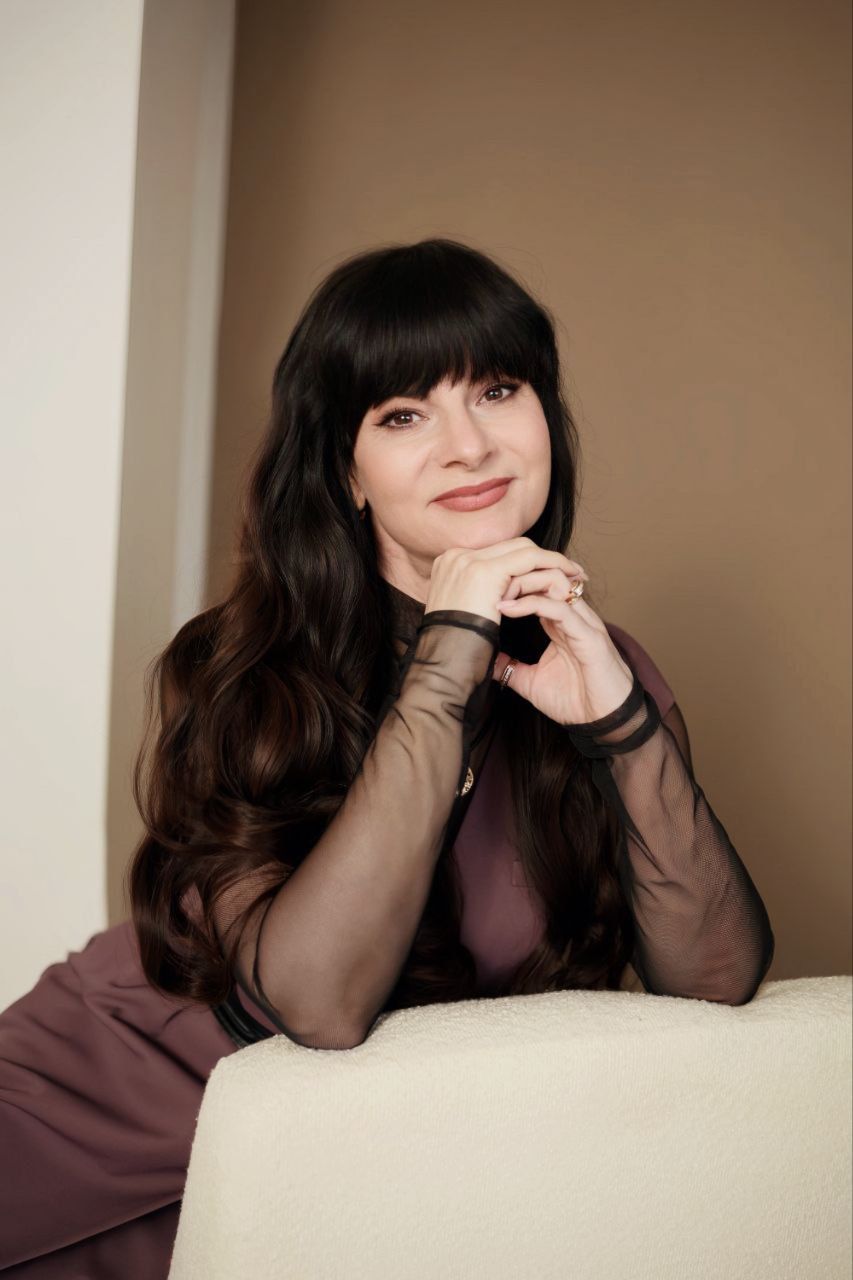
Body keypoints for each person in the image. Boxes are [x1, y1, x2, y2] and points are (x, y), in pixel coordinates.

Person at [0, 237, 775, 1276]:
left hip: (321, 1171)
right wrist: (450, 657)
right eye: (404, 415)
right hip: (90, 1104)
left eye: (497, 391)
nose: (469, 446)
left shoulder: (602, 668)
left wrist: (620, 725)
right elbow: (318, 1003)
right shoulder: (238, 666)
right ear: (345, 472)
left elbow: (717, 981)